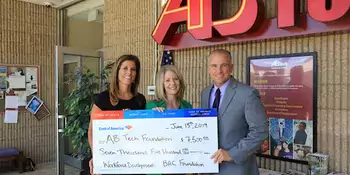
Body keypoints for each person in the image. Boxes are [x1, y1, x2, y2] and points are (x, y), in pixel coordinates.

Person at [201, 49, 268, 175]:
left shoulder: (248, 94)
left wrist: (232, 154)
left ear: (231, 68)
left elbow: (260, 131)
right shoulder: (205, 93)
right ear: (209, 69)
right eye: (214, 66)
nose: (219, 71)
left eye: (224, 66)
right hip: (209, 167)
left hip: (237, 169)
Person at [88, 54, 146, 175]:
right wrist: (96, 156)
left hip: (134, 160)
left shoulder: (140, 100)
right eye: (125, 68)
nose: (129, 72)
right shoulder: (103, 98)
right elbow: (92, 131)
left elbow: (142, 131)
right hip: (109, 160)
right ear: (117, 71)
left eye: (133, 69)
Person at [145, 65, 192, 175]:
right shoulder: (151, 106)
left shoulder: (187, 106)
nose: (173, 83)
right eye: (167, 80)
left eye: (176, 79)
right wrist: (153, 116)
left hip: (182, 165)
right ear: (162, 84)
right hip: (158, 167)